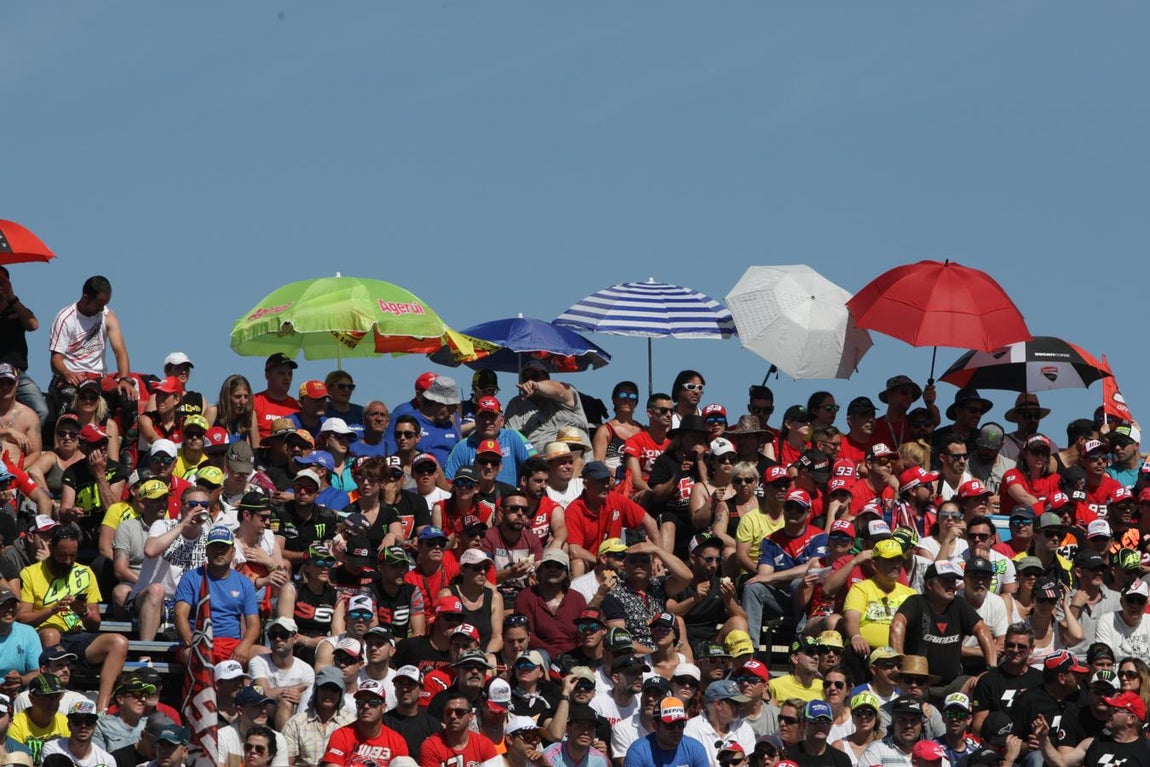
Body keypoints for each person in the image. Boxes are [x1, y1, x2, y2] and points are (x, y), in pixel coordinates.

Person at [16, 526, 127, 713]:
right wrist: (52, 610)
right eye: (62, 555)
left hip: (77, 635)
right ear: (52, 548)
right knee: (51, 634)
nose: (67, 561)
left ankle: (102, 708)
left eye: (72, 556)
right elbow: (22, 618)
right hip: (45, 635)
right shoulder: (31, 573)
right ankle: (53, 698)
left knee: (119, 642)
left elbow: (95, 623)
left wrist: (84, 612)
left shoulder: (85, 573)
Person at [890, 561, 996, 699]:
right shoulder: (916, 602)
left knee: (982, 685)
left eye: (953, 581)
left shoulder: (959, 604)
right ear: (929, 584)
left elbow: (982, 630)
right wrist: (899, 664)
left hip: (953, 684)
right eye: (945, 581)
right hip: (918, 684)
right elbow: (897, 625)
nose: (951, 585)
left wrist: (991, 669)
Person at [173, 525, 262, 665]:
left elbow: (254, 623)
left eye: (224, 547)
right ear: (206, 550)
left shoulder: (245, 583)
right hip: (201, 641)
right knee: (190, 656)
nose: (219, 551)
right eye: (214, 547)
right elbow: (180, 614)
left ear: (233, 552)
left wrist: (244, 646)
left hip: (233, 645)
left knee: (266, 655)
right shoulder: (191, 578)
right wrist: (190, 642)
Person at [48, 276, 136, 405]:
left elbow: (120, 352)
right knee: (70, 397)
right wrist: (67, 373)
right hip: (74, 377)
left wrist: (124, 379)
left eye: (104, 305)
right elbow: (56, 359)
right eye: (98, 305)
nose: (101, 309)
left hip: (98, 378)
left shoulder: (107, 316)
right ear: (85, 298)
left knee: (127, 398)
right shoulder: (65, 319)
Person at [564, 462, 658, 577]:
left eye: (607, 481)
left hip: (617, 561)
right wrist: (603, 563)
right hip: (592, 564)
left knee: (648, 565)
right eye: (599, 481)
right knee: (577, 564)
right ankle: (577, 589)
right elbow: (575, 551)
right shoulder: (574, 510)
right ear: (585, 483)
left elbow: (650, 522)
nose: (605, 485)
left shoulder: (616, 499)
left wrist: (657, 558)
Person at [1035, 689, 1149, 767]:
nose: (1108, 712)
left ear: (1131, 719)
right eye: (1109, 708)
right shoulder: (1091, 743)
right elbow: (1060, 763)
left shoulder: (1146, 750)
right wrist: (1043, 738)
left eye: (1115, 710)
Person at [970, 622, 1042, 734]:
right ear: (1004, 645)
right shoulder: (987, 681)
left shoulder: (1040, 680)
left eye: (1021, 646)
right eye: (1011, 645)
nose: (1015, 650)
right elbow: (978, 726)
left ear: (1031, 649)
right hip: (997, 740)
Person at [0, 268, 46, 427]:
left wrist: (11, 297)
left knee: (41, 410)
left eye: (2, 282)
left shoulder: (16, 309)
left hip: (16, 373)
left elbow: (33, 325)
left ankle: (24, 438)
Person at [282, 667, 355, 767]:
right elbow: (285, 763)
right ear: (316, 690)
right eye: (324, 688)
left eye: (334, 689)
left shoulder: (351, 723)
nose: (329, 693)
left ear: (341, 693)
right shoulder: (295, 723)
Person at [416, 690, 498, 767]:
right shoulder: (431, 746)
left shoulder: (485, 745)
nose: (453, 716)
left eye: (459, 712)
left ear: (470, 716)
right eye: (448, 712)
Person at [623, 696, 710, 767]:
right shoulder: (638, 751)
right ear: (655, 725)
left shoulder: (695, 749)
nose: (676, 730)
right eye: (670, 725)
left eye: (681, 724)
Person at [8, 673, 70, 765]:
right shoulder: (16, 725)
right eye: (47, 696)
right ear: (32, 699)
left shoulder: (65, 722)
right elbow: (18, 763)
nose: (53, 702)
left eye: (57, 696)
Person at [41, 699, 114, 767]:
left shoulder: (106, 761)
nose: (83, 726)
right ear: (69, 725)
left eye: (89, 721)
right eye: (77, 721)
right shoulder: (53, 749)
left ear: (95, 727)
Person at [1093, 580, 1150, 664]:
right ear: (1121, 602)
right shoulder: (1107, 621)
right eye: (1130, 600)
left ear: (1146, 603)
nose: (1135, 605)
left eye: (1140, 601)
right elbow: (1104, 660)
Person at [860, 696, 924, 767]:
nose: (908, 725)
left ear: (921, 724)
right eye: (902, 720)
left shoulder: (932, 751)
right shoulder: (876, 750)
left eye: (914, 720)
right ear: (893, 723)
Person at [786, 699, 851, 767]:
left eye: (825, 722)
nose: (820, 726)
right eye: (815, 722)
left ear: (831, 725)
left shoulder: (841, 759)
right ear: (804, 724)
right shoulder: (789, 757)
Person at [542, 702, 609, 767]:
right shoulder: (552, 754)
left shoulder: (599, 759)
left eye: (590, 727)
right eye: (580, 726)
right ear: (568, 729)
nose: (586, 732)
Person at [253, 353, 300, 443]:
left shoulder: (296, 406)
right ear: (267, 375)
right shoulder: (254, 402)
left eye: (290, 374)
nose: (287, 378)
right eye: (281, 373)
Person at [768, 638, 824, 704]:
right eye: (810, 652)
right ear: (795, 658)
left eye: (818, 653)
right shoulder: (775, 685)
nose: (816, 657)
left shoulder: (824, 687)